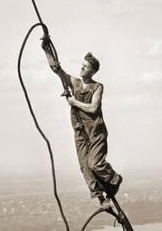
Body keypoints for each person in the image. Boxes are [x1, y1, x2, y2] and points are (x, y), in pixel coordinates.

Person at [41, 35, 122, 207]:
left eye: (85, 67)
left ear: (92, 72)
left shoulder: (97, 87)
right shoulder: (75, 83)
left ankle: (114, 179)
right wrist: (46, 48)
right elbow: (58, 70)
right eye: (82, 65)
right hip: (79, 130)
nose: (82, 68)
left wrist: (74, 102)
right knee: (85, 167)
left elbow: (93, 108)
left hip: (95, 131)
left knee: (95, 164)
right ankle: (100, 198)